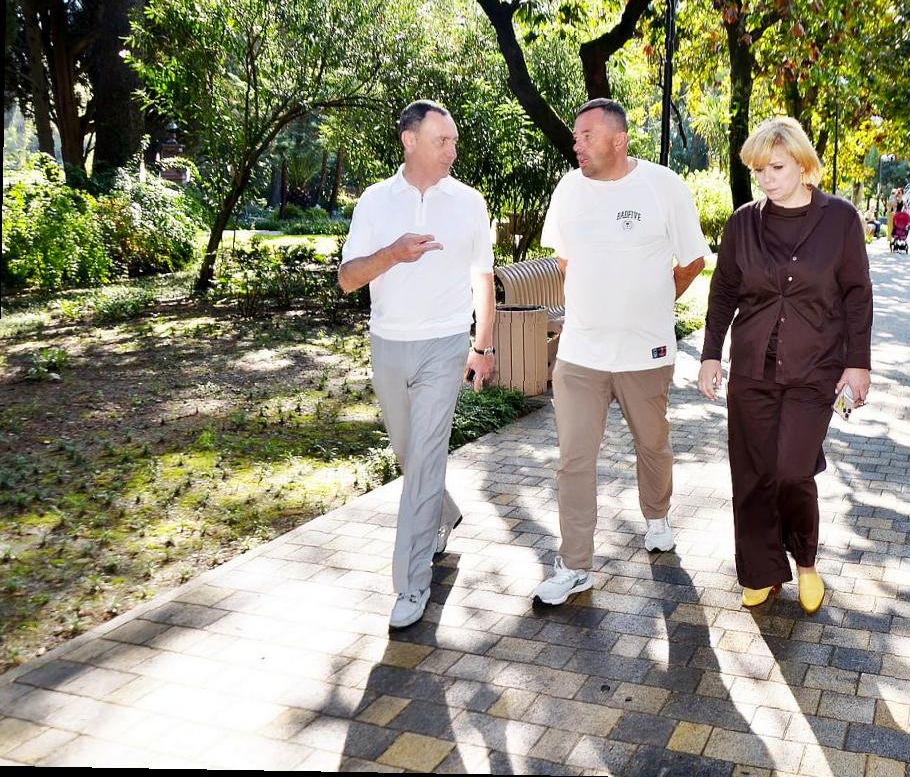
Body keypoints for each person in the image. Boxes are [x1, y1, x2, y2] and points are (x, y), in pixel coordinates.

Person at [532, 98, 710, 605]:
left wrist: (652, 301)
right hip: (580, 353)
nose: (576, 144)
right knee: (574, 460)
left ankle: (657, 516)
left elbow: (693, 260)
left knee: (652, 444)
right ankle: (575, 565)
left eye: (586, 135)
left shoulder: (662, 186)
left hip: (644, 352)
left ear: (619, 139)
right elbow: (564, 258)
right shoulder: (569, 189)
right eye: (575, 136)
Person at [698, 117, 873, 613]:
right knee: (752, 472)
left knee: (792, 469)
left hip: (816, 367)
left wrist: (858, 364)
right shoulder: (742, 223)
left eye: (776, 168)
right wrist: (710, 353)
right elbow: (723, 293)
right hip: (752, 367)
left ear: (802, 164)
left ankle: (805, 561)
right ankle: (760, 570)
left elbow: (857, 295)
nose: (766, 179)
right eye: (758, 170)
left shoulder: (840, 219)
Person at [338, 100, 496, 629]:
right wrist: (393, 254)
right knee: (411, 454)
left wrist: (482, 347)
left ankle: (411, 584)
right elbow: (348, 279)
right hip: (389, 344)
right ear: (410, 140)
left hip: (445, 344)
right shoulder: (375, 201)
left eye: (453, 141)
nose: (452, 150)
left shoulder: (469, 202)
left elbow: (483, 280)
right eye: (441, 141)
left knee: (425, 458)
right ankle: (444, 513)